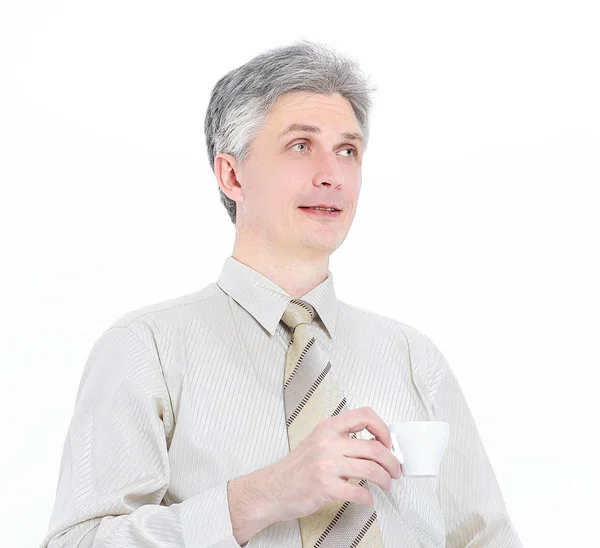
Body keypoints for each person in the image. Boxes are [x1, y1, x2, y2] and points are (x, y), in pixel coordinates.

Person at [40, 39, 523, 547]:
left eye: (347, 150)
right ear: (231, 175)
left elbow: (486, 538)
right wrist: (259, 496)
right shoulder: (145, 349)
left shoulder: (412, 358)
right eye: (300, 145)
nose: (332, 175)